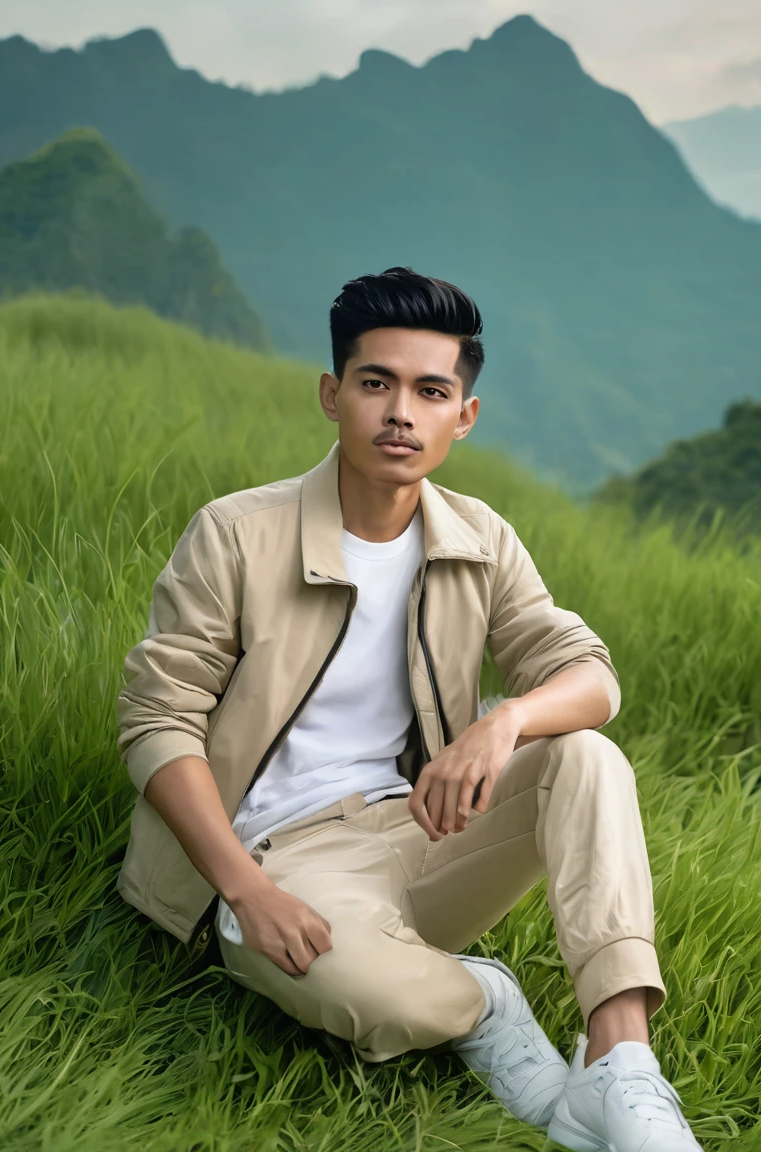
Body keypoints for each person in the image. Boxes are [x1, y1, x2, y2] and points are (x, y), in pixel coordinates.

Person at [115, 266, 703, 1151]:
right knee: (363, 995)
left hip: (415, 826)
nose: (401, 412)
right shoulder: (238, 533)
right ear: (332, 394)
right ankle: (485, 1001)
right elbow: (157, 720)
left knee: (587, 754)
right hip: (274, 862)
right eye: (375, 383)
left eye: (431, 391)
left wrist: (501, 722)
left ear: (462, 415)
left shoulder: (477, 538)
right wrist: (244, 885)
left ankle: (620, 1063)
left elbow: (590, 676)